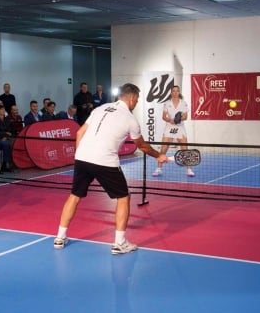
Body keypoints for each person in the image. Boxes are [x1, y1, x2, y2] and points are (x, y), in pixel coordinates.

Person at [54, 83, 168, 255]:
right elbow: (142, 146)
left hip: (82, 157)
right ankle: (119, 243)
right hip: (105, 160)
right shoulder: (130, 119)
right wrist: (159, 155)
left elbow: (79, 134)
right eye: (137, 99)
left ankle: (60, 237)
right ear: (131, 98)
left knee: (75, 195)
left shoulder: (101, 108)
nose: (137, 102)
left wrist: (80, 156)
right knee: (123, 197)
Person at [152, 85, 194, 177]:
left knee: (185, 149)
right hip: (169, 127)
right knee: (163, 149)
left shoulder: (183, 103)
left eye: (177, 91)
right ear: (171, 93)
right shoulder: (167, 103)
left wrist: (178, 119)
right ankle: (158, 169)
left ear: (179, 92)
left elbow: (185, 117)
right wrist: (170, 120)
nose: (175, 93)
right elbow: (164, 117)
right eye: (173, 91)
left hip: (180, 127)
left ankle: (189, 170)